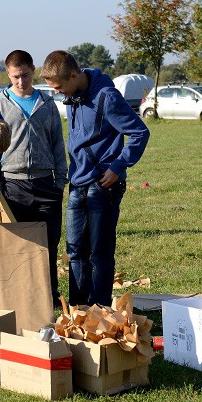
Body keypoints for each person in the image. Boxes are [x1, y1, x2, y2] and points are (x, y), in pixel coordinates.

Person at [41, 50, 149, 307]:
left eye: (58, 87)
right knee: (75, 251)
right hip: (77, 182)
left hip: (102, 184)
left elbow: (139, 132)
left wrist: (117, 166)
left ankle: (99, 309)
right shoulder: (74, 97)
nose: (56, 92)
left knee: (99, 253)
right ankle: (79, 310)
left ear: (74, 76)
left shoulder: (106, 97)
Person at [0, 50, 67, 307]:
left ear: (33, 70)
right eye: (14, 77)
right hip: (13, 184)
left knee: (49, 244)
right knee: (19, 245)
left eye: (24, 75)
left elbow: (58, 143)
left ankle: (50, 295)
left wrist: (59, 183)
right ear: (8, 75)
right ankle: (21, 295)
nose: (20, 82)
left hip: (47, 184)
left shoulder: (47, 103)